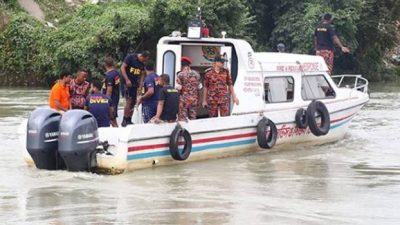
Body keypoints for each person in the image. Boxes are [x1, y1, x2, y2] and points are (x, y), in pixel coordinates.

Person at [120, 50, 150, 127]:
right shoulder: (131, 57)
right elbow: (122, 67)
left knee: (133, 101)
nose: (144, 62)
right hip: (127, 83)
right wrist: (126, 79)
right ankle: (125, 119)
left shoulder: (142, 63)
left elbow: (142, 74)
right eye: (144, 60)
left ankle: (129, 119)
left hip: (135, 83)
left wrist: (140, 86)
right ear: (142, 56)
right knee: (129, 100)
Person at [176, 56, 201, 121]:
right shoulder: (197, 74)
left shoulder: (180, 75)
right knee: (193, 118)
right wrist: (199, 99)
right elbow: (199, 88)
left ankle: (184, 131)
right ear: (190, 64)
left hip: (184, 100)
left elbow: (179, 88)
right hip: (194, 99)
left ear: (181, 64)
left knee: (182, 119)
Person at [103, 57, 120, 127]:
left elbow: (109, 90)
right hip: (115, 98)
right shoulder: (116, 73)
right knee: (113, 118)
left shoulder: (110, 75)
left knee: (112, 119)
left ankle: (118, 134)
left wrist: (106, 101)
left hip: (111, 100)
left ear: (105, 64)